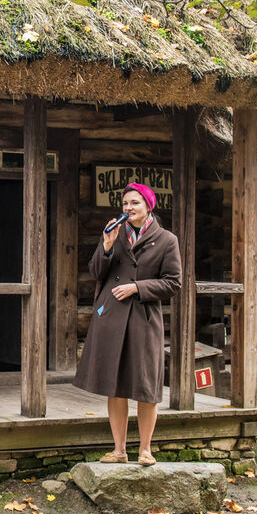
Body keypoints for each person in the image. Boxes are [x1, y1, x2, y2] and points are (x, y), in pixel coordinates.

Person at [72, 183, 182, 466]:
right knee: (115, 385)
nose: (128, 209)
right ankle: (119, 450)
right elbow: (96, 271)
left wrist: (137, 288)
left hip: (144, 321)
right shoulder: (115, 234)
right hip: (111, 318)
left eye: (134, 203)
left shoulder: (167, 240)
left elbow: (173, 283)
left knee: (146, 386)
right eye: (125, 204)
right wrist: (107, 245)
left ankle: (145, 449)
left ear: (148, 206)